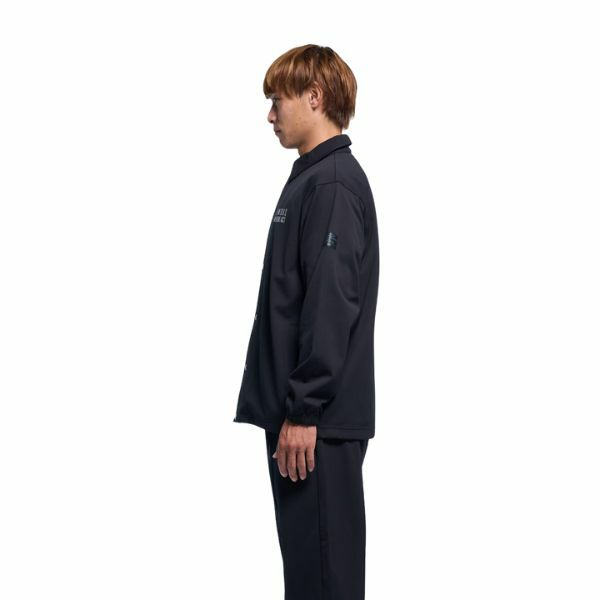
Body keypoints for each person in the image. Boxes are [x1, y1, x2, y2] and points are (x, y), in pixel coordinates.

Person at [233, 43, 380, 600]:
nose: (270, 115)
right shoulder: (312, 179)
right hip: (305, 422)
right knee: (310, 580)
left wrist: (304, 408)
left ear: (314, 97)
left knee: (325, 582)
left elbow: (330, 303)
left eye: (278, 100)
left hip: (317, 427)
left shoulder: (332, 184)